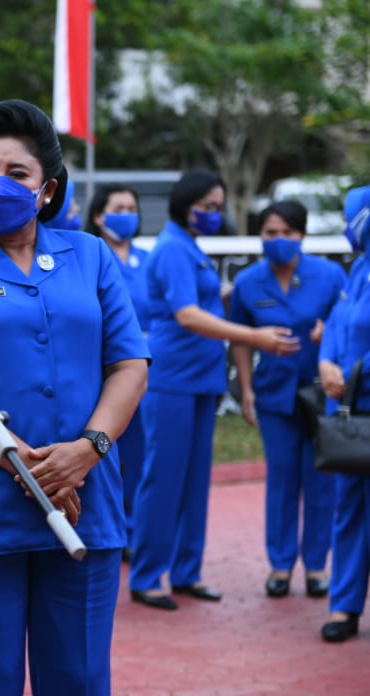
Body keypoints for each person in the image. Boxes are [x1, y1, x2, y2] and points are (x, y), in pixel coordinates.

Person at [0, 99, 149, 696]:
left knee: (76, 677)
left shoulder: (91, 256)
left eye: (16, 173)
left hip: (85, 502)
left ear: (46, 189)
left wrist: (88, 449)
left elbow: (128, 362)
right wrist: (23, 461)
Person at [128, 169, 301, 610]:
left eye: (217, 207)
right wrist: (255, 336)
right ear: (186, 204)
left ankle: (187, 571)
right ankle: (148, 576)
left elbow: (204, 301)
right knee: (163, 478)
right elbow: (187, 315)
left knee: (194, 481)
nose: (214, 214)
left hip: (201, 377)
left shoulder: (190, 248)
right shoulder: (171, 249)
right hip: (172, 378)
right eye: (207, 206)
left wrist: (233, 293)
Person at [229, 200, 346, 598]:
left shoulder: (330, 276)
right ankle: (280, 565)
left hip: (321, 396)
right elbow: (240, 340)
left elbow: (348, 326)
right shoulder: (248, 282)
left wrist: (327, 333)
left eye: (288, 233)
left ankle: (317, 566)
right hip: (274, 396)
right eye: (271, 233)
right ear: (260, 236)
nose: (280, 240)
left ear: (302, 235)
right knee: (280, 479)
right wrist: (245, 389)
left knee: (321, 481)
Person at [85, 183, 150, 556]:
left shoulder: (146, 259)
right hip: (104, 370)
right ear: (99, 215)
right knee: (106, 449)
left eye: (131, 206)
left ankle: (135, 529)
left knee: (142, 455)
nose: (127, 213)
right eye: (118, 207)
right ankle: (114, 525)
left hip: (143, 370)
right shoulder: (92, 257)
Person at [318, 184, 370, 643]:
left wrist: (354, 371)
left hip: (359, 395)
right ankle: (345, 604)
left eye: (350, 217)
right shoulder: (358, 270)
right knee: (348, 508)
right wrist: (327, 362)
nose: (345, 228)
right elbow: (338, 322)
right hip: (352, 414)